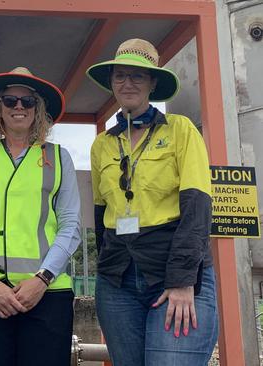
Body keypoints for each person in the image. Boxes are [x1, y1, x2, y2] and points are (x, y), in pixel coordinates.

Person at [87, 38, 218, 365]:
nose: (127, 83)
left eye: (138, 76)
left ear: (153, 82)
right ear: (111, 83)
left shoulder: (180, 130)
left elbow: (197, 209)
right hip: (117, 280)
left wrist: (182, 280)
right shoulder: (102, 144)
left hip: (174, 272)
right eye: (120, 76)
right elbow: (101, 212)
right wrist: (106, 263)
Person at [0, 67, 81, 366]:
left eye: (28, 101)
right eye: (10, 101)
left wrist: (43, 279)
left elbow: (71, 226)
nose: (19, 107)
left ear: (39, 109)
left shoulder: (59, 157)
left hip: (47, 293)